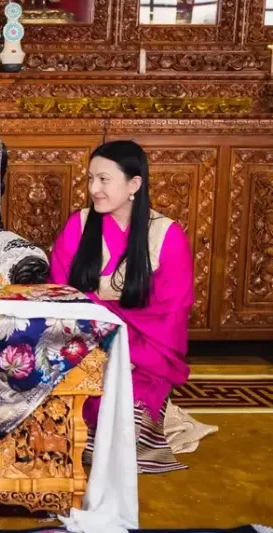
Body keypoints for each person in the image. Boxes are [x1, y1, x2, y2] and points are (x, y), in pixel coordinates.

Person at [49, 140, 196, 472]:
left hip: (143, 355)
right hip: (87, 346)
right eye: (90, 179)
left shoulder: (166, 235)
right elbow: (60, 294)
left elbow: (171, 315)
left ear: (134, 184)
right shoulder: (79, 225)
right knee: (62, 422)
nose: (94, 189)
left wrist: (126, 352)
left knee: (124, 427)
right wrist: (101, 347)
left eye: (104, 179)